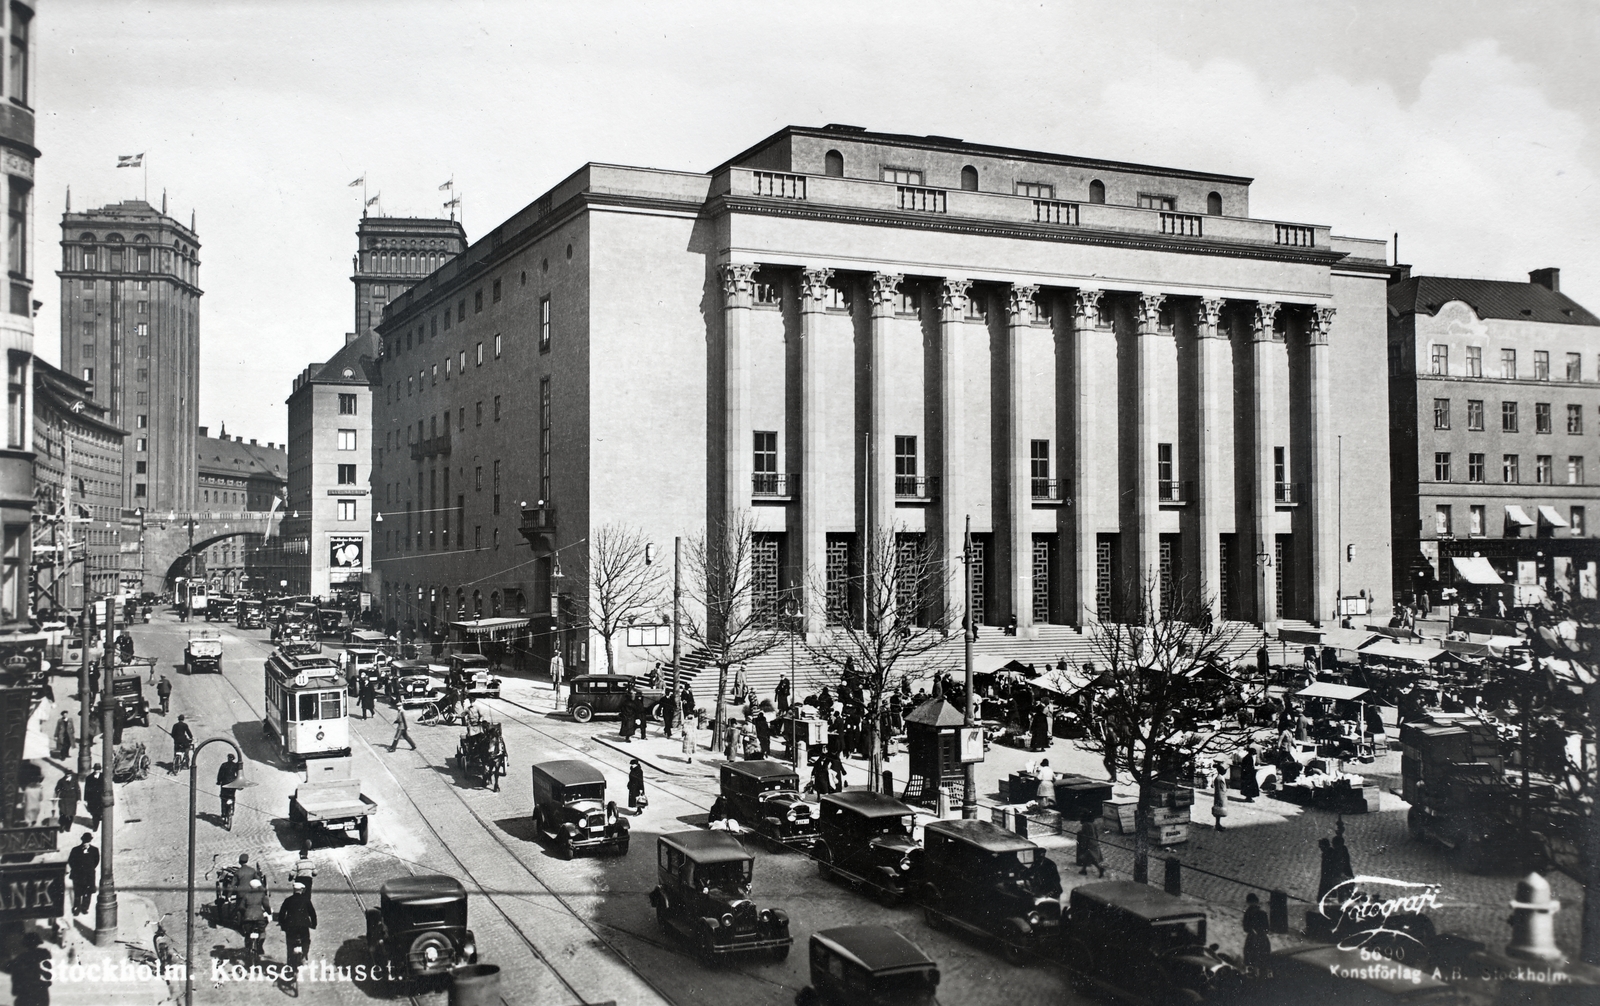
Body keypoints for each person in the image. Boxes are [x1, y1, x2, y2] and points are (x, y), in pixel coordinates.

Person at [278, 879, 317, 968]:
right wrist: (313, 924)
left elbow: (282, 914)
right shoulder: (306, 900)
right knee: (306, 941)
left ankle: (290, 961)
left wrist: (283, 925)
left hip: (291, 926)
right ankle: (304, 957)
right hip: (303, 926)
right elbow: (312, 913)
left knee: (290, 943)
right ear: (302, 890)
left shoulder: (288, 900)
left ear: (294, 890)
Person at [10, 930, 51, 1006]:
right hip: (41, 992)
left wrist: (15, 989)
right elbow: (49, 976)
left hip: (25, 993)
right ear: (38, 943)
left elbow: (15, 977)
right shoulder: (44, 954)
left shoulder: (20, 958)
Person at [68, 832, 99, 915]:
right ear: (82, 840)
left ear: (90, 841)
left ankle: (85, 908)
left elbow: (96, 861)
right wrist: (77, 869)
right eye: (85, 841)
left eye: (87, 841)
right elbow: (71, 861)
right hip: (78, 875)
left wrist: (89, 868)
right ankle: (76, 908)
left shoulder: (94, 850)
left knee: (88, 892)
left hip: (89, 875)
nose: (86, 843)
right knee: (78, 892)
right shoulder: (75, 850)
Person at [1243, 893, 1272, 969]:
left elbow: (1245, 927)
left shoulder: (1248, 913)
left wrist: (1252, 930)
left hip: (1252, 938)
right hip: (1262, 938)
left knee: (1251, 958)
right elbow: (1267, 928)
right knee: (1263, 958)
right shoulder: (1262, 913)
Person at [217, 754, 241, 821]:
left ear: (228, 758)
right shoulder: (235, 765)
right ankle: (232, 809)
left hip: (225, 784)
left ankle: (223, 814)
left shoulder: (224, 765)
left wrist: (219, 781)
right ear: (233, 759)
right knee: (232, 796)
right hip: (232, 784)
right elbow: (238, 774)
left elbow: (220, 774)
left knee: (223, 798)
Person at [84, 765, 105, 830]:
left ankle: (99, 818)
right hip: (92, 799)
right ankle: (95, 826)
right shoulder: (89, 778)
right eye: (96, 770)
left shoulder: (103, 776)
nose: (97, 771)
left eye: (98, 770)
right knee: (94, 813)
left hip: (101, 798)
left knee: (100, 812)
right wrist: (86, 798)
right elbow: (86, 789)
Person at [1210, 764, 1228, 831]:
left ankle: (1218, 824)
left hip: (1220, 795)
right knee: (1219, 810)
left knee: (1219, 810)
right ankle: (1217, 825)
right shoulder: (1220, 778)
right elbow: (1222, 788)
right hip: (1220, 796)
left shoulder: (1218, 777)